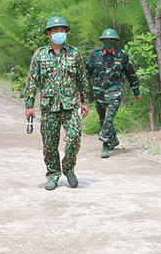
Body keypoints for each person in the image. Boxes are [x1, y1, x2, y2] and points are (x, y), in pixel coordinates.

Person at [25, 16, 90, 190]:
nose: (59, 33)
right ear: (49, 33)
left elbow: (82, 79)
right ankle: (53, 174)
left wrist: (84, 101)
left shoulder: (74, 53)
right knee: (49, 144)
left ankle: (68, 168)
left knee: (74, 137)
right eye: (55, 30)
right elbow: (32, 81)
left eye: (62, 30)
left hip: (70, 106)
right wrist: (29, 105)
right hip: (49, 107)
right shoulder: (40, 55)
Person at [85, 28, 141, 158]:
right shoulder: (95, 55)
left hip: (114, 92)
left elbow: (131, 74)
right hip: (99, 92)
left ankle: (105, 145)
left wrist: (136, 91)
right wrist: (81, 92)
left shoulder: (122, 55)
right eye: (106, 39)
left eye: (111, 39)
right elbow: (86, 73)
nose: (108, 41)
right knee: (103, 119)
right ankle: (114, 139)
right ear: (102, 41)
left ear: (115, 41)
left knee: (109, 118)